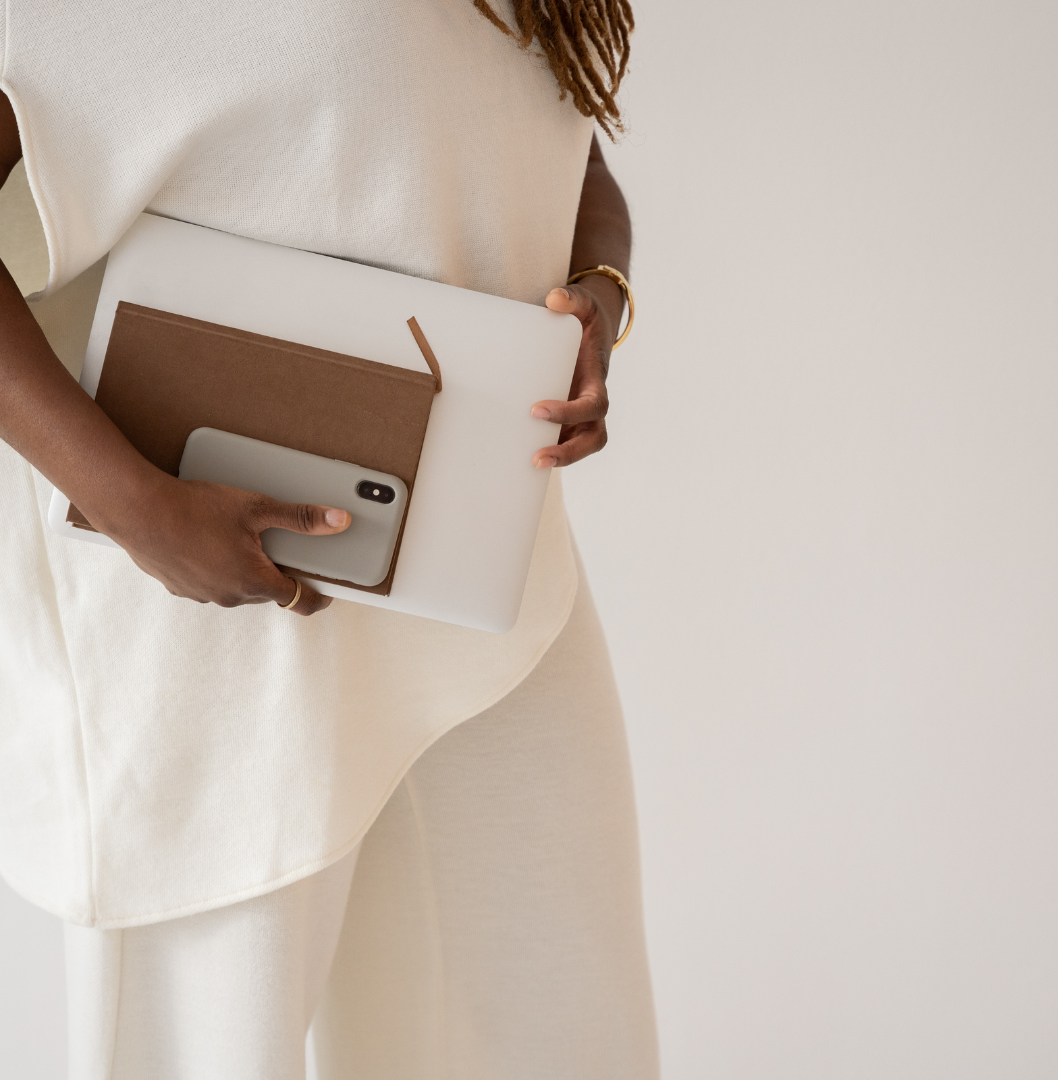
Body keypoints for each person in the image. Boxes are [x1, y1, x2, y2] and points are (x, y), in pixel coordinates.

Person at [0, 2, 657, 1078]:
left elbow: (555, 136)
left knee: (557, 1034)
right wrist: (134, 506)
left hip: (488, 596)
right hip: (210, 618)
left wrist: (597, 294)